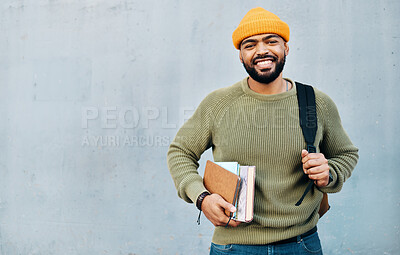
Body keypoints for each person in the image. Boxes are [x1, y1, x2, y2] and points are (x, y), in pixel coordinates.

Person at [167, 7, 359, 255]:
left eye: (271, 41)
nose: (261, 50)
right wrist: (202, 198)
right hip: (233, 246)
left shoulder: (316, 103)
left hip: (302, 244)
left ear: (285, 48)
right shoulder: (218, 104)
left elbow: (346, 154)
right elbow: (179, 152)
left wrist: (328, 173)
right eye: (250, 44)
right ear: (240, 55)